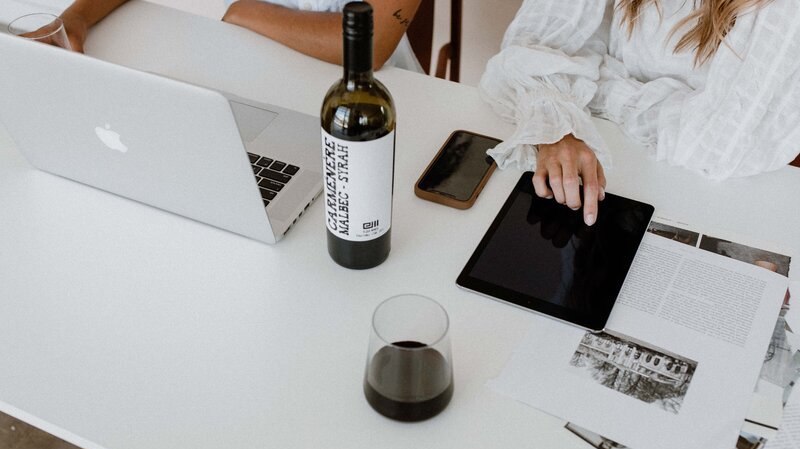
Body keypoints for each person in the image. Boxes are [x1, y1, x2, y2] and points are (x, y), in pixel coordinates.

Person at [479, 0, 800, 226]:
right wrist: (556, 127)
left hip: (706, 204)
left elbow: (717, 147)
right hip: (609, 170)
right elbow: (529, 46)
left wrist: (587, 83)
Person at [52, 0, 423, 71]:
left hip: (370, 102)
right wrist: (75, 20)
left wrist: (239, 10)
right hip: (239, 71)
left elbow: (367, 45)